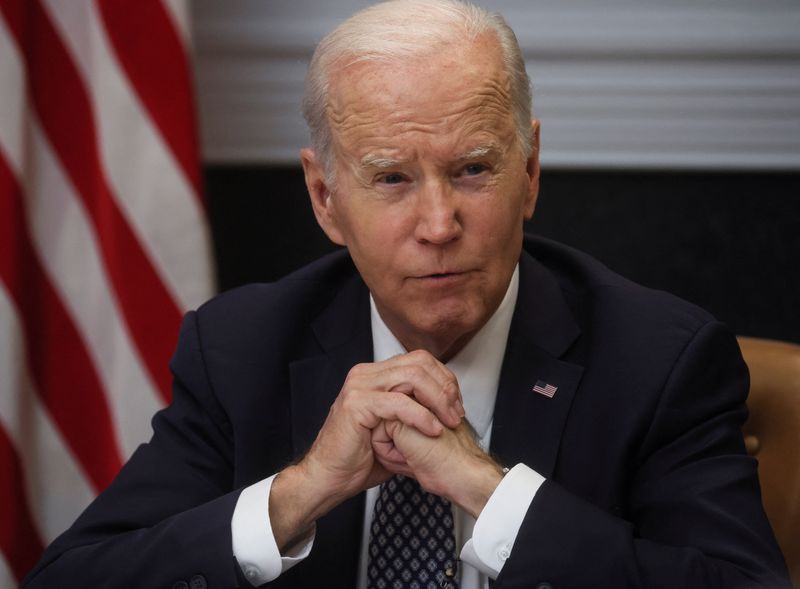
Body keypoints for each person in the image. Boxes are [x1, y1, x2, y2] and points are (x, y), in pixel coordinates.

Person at [23, 1, 791, 588]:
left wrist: (492, 494)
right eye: (391, 177)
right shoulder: (241, 348)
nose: (438, 223)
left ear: (529, 174)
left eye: (474, 170)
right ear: (326, 199)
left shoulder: (657, 359)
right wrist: (297, 492)